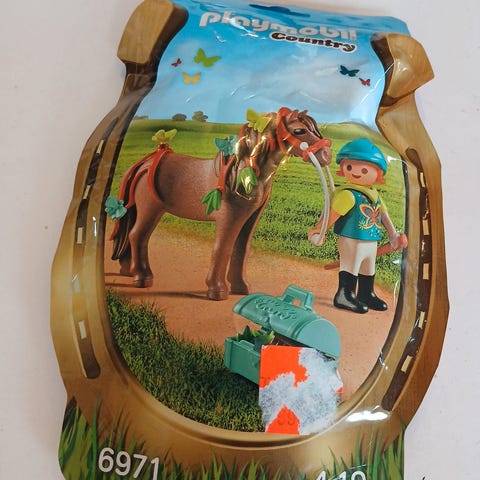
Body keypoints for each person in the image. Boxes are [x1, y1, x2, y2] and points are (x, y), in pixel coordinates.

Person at [309, 138, 404, 314]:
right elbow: (333, 215)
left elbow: (383, 215)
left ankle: (366, 294)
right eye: (350, 167)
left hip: (371, 240)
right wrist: (319, 230)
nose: (356, 173)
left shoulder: (374, 195)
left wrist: (393, 235)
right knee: (351, 266)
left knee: (368, 267)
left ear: (378, 173)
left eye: (364, 170)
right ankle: (344, 295)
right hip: (351, 240)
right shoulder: (348, 195)